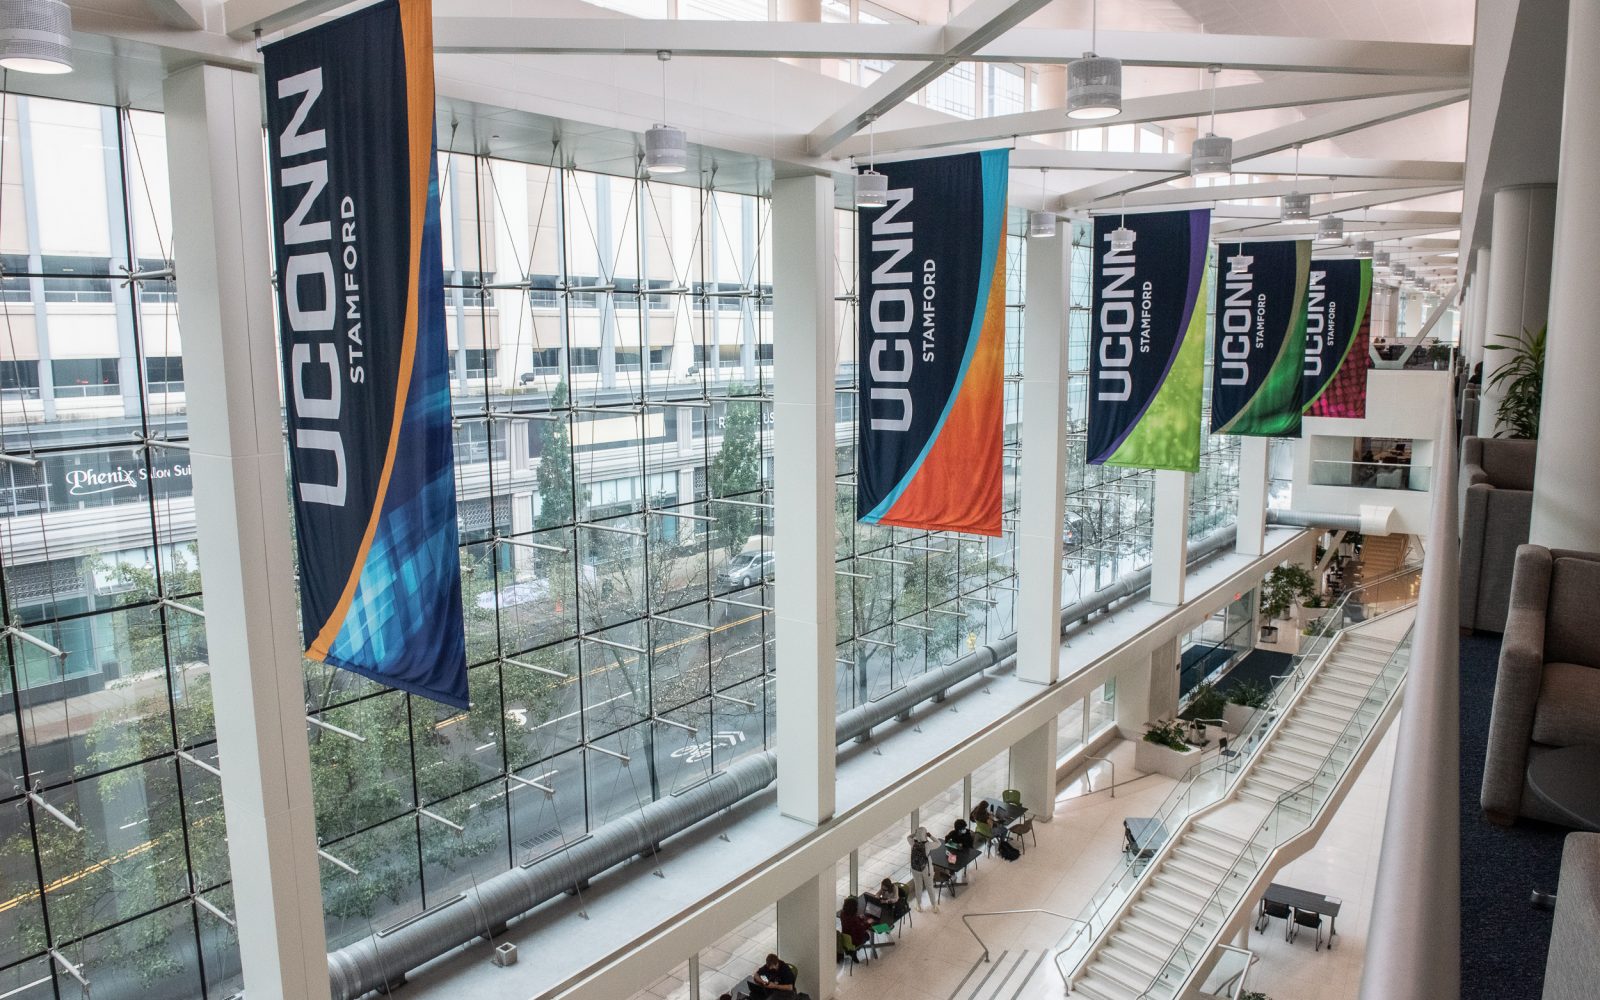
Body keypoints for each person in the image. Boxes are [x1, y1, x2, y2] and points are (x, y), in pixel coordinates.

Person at [907, 827, 939, 912]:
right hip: (926, 869)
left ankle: (918, 905)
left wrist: (915, 834)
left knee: (918, 887)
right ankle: (934, 906)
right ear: (925, 834)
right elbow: (938, 843)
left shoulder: (913, 843)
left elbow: (908, 837)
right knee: (929, 887)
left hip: (915, 869)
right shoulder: (928, 845)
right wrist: (930, 836)